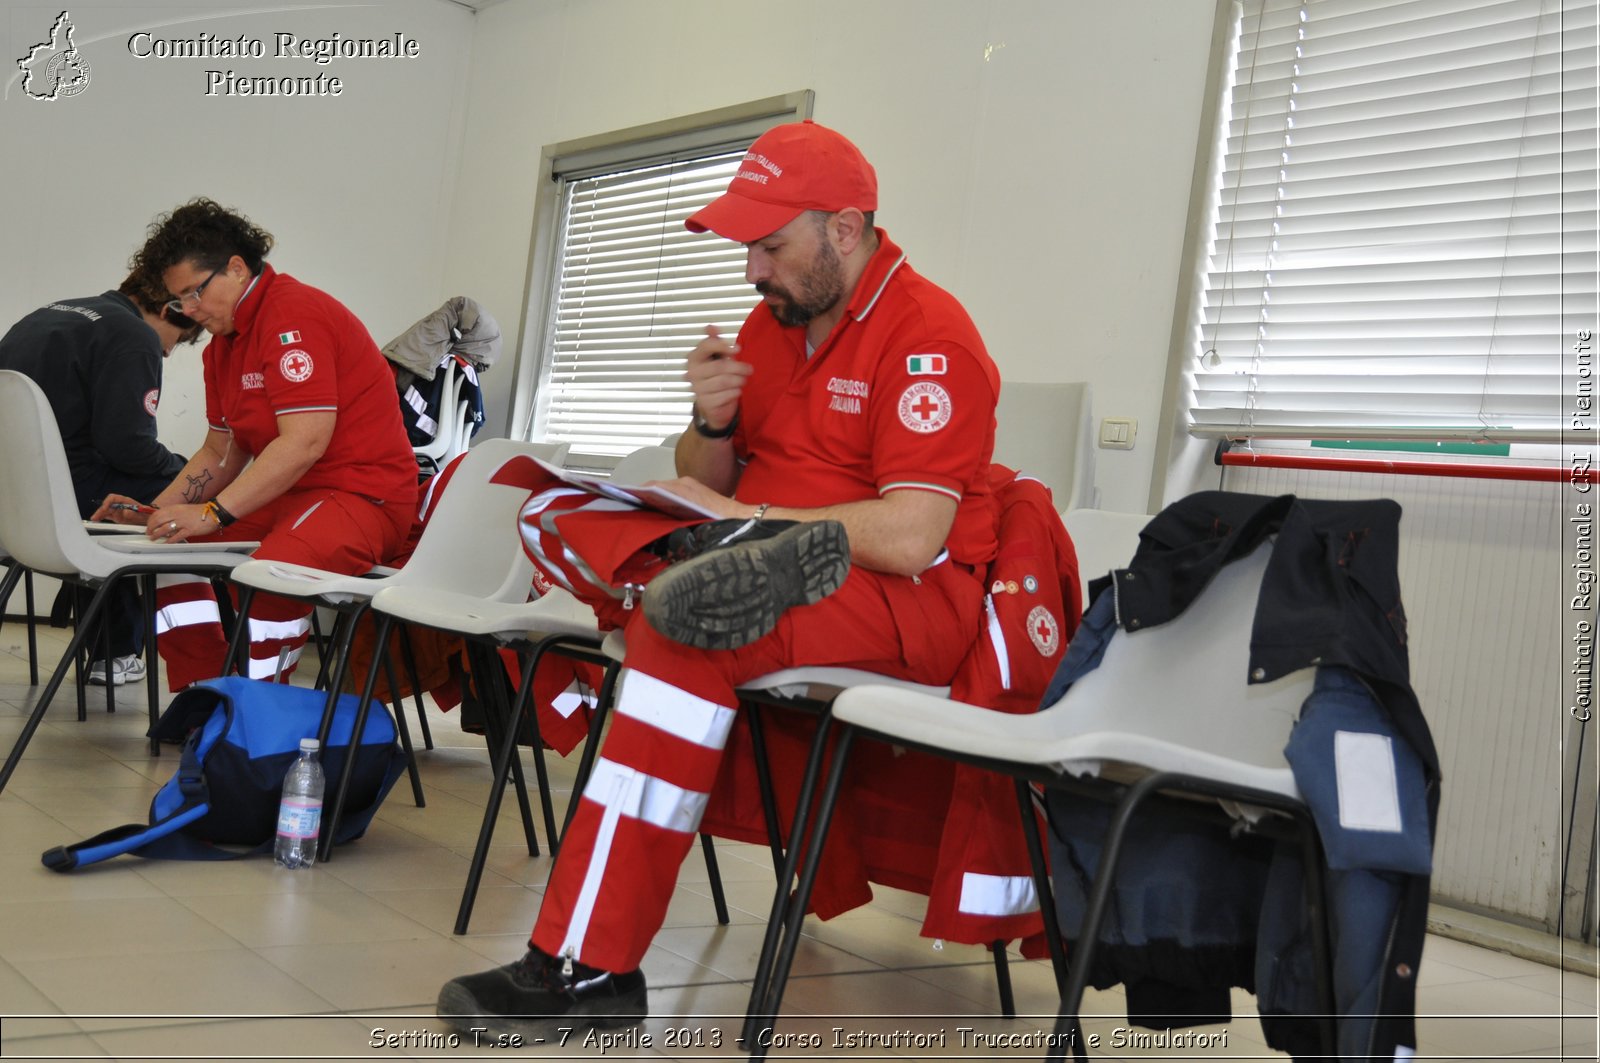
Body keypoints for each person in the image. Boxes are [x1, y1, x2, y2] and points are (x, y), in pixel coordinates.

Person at [437, 120, 1002, 1037]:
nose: (752, 269)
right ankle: (673, 578)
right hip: (762, 557)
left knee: (683, 620)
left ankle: (591, 964)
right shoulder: (772, 322)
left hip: (900, 593)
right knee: (561, 513)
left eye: (771, 245)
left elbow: (910, 533)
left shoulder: (933, 335)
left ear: (847, 230)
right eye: (748, 246)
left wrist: (756, 527)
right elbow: (716, 476)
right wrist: (711, 420)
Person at [94, 198, 420, 689]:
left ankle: (266, 711)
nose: (190, 311)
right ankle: (208, 695)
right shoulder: (223, 345)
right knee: (158, 550)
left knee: (273, 578)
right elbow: (219, 453)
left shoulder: (295, 316)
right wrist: (152, 513)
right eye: (180, 300)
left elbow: (305, 443)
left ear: (237, 268)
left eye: (195, 293)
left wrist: (211, 514)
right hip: (289, 496)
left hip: (362, 497)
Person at [0, 271, 202, 685]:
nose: (166, 352)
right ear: (170, 309)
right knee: (187, 499)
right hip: (64, 500)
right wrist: (189, 473)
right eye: (177, 341)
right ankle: (138, 655)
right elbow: (128, 447)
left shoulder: (49, 314)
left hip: (13, 499)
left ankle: (116, 648)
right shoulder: (133, 335)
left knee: (121, 493)